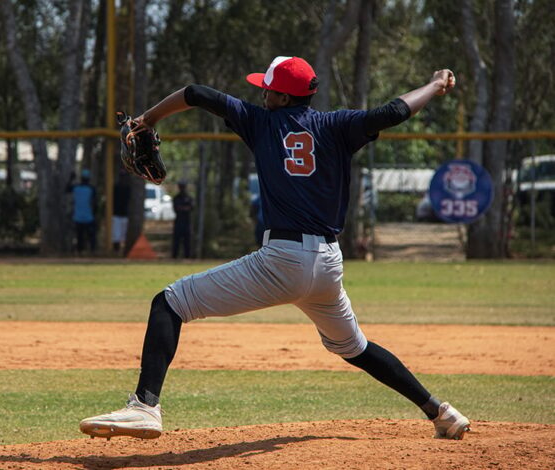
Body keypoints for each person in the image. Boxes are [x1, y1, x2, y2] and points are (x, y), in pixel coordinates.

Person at [80, 56, 469, 441]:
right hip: (328, 265)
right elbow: (395, 110)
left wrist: (146, 120)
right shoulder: (337, 126)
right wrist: (435, 84)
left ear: (283, 99)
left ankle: (145, 407)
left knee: (170, 302)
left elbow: (195, 93)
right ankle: (441, 412)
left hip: (282, 261)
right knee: (354, 347)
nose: (263, 95)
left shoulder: (261, 122)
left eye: (268, 90)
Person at [66, 168, 97, 255]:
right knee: (91, 235)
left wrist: (71, 179)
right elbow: (95, 203)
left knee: (80, 236)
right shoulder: (91, 189)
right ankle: (92, 250)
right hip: (88, 216)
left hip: (78, 216)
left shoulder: (76, 188)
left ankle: (80, 251)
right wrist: (95, 213)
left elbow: (67, 189)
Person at [171, 180, 193, 258]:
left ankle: (187, 258)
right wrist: (184, 208)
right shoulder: (176, 198)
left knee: (187, 242)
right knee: (176, 241)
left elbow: (191, 208)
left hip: (187, 222)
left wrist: (182, 208)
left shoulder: (189, 198)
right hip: (178, 222)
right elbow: (176, 208)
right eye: (181, 187)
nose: (182, 188)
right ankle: (174, 257)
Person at [112, 171, 131, 254]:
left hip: (125, 214)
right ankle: (116, 251)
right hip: (116, 214)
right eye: (121, 177)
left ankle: (123, 251)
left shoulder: (128, 188)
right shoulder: (115, 188)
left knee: (124, 235)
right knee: (116, 234)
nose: (123, 179)